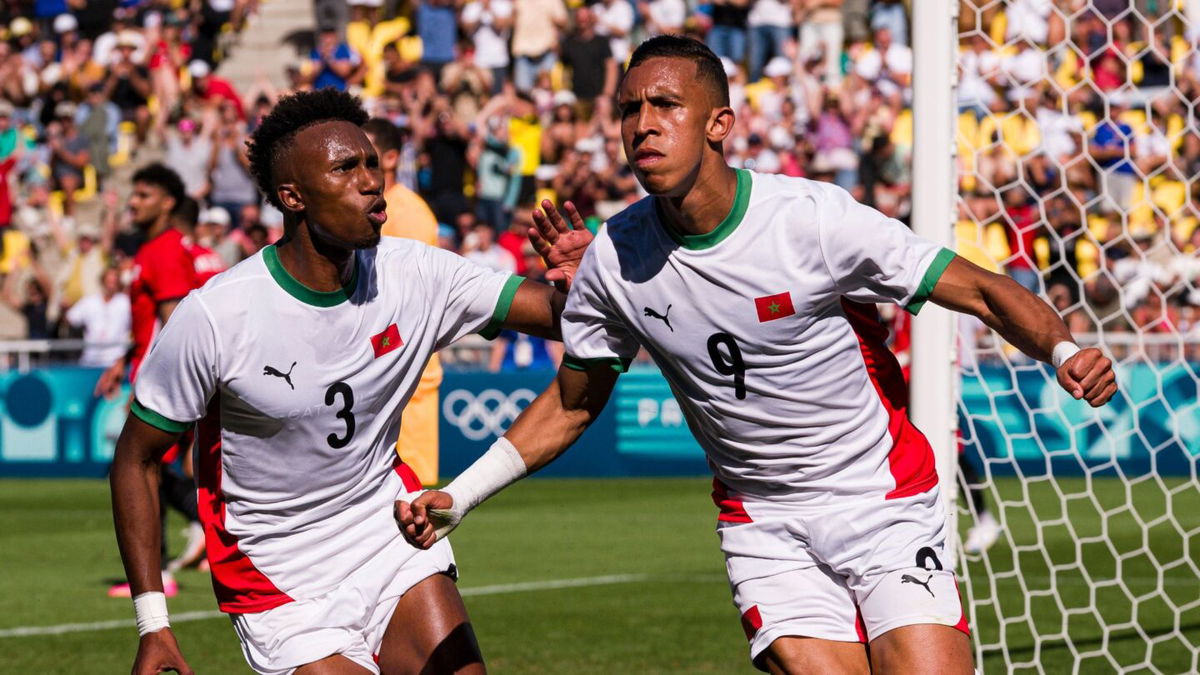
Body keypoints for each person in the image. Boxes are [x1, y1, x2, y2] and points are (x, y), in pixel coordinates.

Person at [397, 36, 1119, 674]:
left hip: (882, 498)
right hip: (765, 524)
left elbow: (982, 289)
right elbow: (572, 402)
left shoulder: (811, 221)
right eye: (628, 108)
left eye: (666, 105)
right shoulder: (613, 258)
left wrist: (1062, 350)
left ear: (720, 124)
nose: (642, 123)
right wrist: (461, 494)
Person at [110, 88, 569, 675]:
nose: (371, 180)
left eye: (372, 162)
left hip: (387, 533)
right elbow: (137, 460)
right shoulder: (217, 316)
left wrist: (581, 284)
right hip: (277, 573)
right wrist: (154, 625)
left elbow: (562, 315)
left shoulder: (417, 272)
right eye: (345, 167)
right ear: (292, 196)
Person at [96, 163, 203, 600]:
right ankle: (194, 533)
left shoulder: (163, 251)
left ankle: (159, 572)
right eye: (134, 194)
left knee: (137, 468)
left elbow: (173, 322)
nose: (133, 202)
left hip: (161, 380)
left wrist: (151, 384)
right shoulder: (150, 248)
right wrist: (125, 359)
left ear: (167, 202)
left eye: (143, 195)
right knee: (146, 469)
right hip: (148, 370)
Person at [363, 116, 444, 486]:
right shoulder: (372, 209)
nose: (356, 165)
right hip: (379, 370)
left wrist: (373, 348)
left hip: (404, 372)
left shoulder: (408, 213)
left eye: (366, 155)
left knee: (409, 498)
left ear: (391, 158)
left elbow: (415, 303)